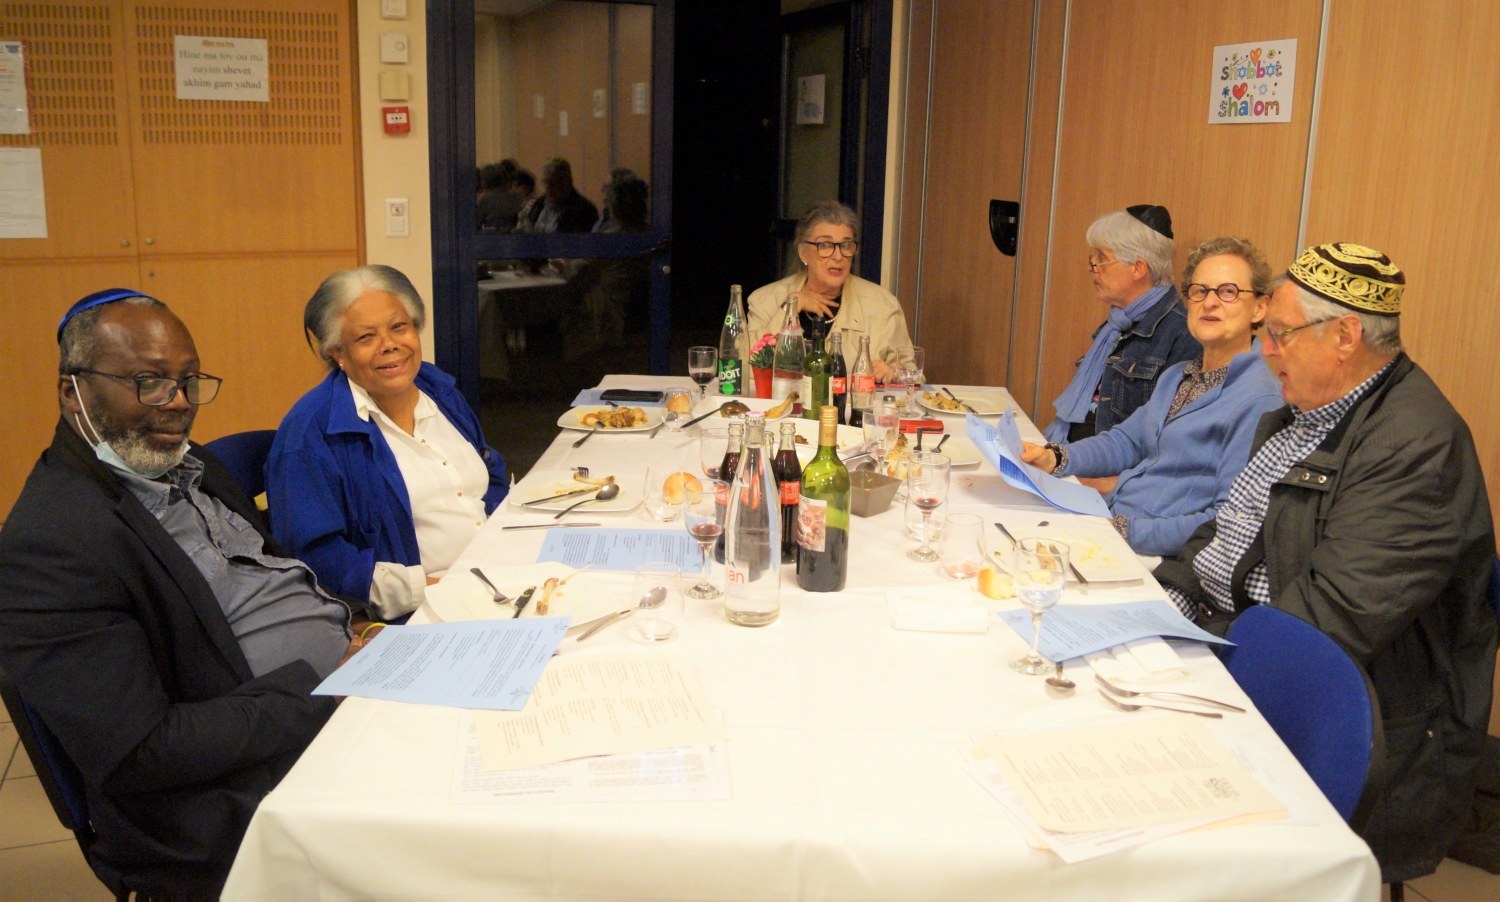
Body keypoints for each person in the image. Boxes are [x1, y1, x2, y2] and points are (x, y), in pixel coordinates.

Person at [1153, 243, 1496, 884]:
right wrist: (1157, 613)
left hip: (1347, 720)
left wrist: (1194, 660)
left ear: (1344, 336)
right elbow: (1223, 535)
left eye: (1280, 333)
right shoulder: (1305, 414)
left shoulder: (1415, 447)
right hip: (1242, 651)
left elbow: (1325, 625)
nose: (1266, 351)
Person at [0, 289, 353, 895]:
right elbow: (141, 751)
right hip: (230, 793)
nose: (180, 402)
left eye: (189, 380)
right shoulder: (51, 545)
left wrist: (355, 640)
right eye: (149, 382)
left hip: (329, 701)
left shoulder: (189, 466)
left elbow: (269, 576)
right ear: (72, 391)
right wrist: (328, 688)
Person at [268, 265, 509, 621]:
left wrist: (506, 542)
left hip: (497, 578)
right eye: (366, 337)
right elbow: (317, 557)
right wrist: (434, 589)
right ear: (337, 352)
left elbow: (490, 471)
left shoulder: (438, 389)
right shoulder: (308, 436)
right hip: (418, 613)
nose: (390, 345)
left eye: (399, 327)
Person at [1021, 236, 1284, 556]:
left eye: (1228, 291)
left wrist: (1121, 531)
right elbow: (1126, 442)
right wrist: (1055, 457)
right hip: (1112, 520)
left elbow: (1226, 519)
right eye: (1200, 291)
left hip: (1156, 555)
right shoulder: (1179, 375)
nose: (1210, 302)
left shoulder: (1260, 400)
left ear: (1259, 307)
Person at [1042, 204, 1200, 442]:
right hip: (1073, 449)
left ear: (1137, 268)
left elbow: (1161, 440)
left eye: (1101, 259)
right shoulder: (1117, 323)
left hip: (1107, 461)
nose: (1091, 268)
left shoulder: (1182, 335)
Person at [747, 200, 913, 382]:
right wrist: (790, 307)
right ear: (803, 252)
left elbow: (913, 376)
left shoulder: (883, 306)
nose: (838, 256)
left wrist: (893, 374)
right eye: (825, 245)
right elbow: (743, 369)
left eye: (845, 245)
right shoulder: (764, 300)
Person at [520, 157, 599, 234]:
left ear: (566, 182)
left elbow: (577, 240)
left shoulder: (584, 211)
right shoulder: (539, 204)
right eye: (546, 182)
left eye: (553, 183)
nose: (548, 187)